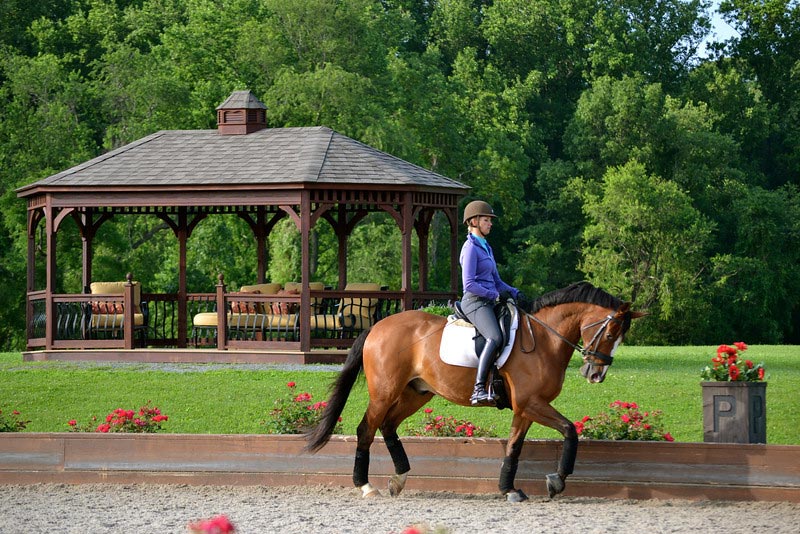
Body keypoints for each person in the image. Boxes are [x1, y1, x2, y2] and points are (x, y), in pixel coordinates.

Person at [459, 200, 521, 407]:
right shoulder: (470, 248)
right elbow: (469, 283)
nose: (490, 224)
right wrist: (494, 295)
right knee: (494, 336)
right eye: (486, 220)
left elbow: (496, 280)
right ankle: (478, 389)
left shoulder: (486, 247)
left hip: (490, 299)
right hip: (475, 302)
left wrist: (513, 291)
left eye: (489, 220)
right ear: (474, 221)